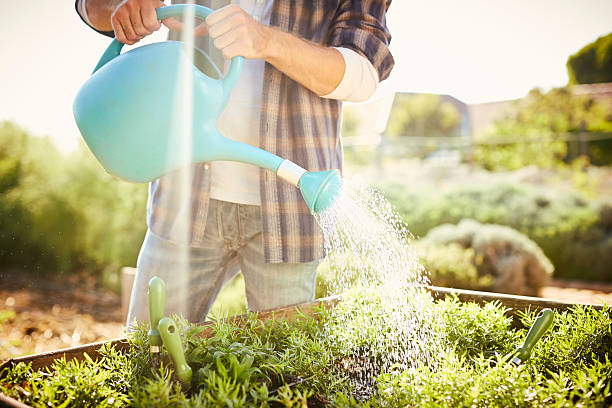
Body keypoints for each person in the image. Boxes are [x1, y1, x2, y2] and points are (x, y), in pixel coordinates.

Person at [75, 0, 394, 324]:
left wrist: (266, 40)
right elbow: (91, 8)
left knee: (281, 369)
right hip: (183, 199)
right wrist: (124, 6)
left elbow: (365, 73)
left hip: (289, 212)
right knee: (148, 356)